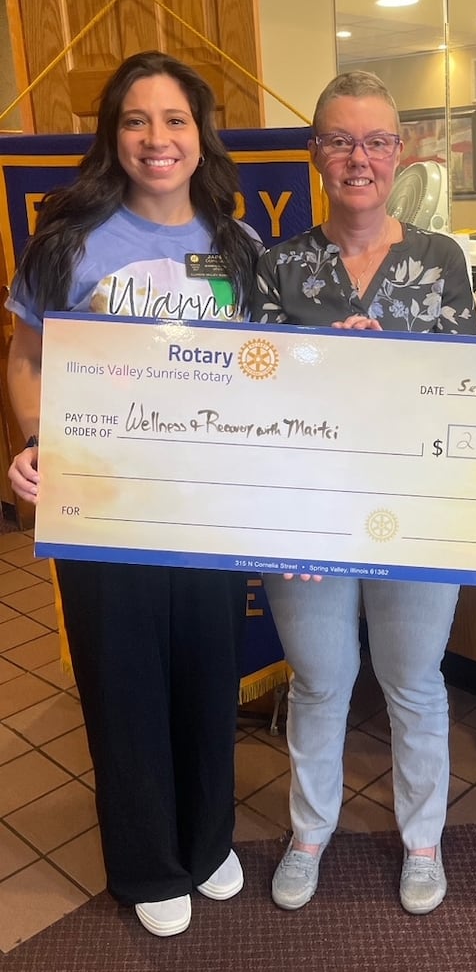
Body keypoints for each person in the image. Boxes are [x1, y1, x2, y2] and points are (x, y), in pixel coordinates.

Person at [6, 51, 263, 937]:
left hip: (207, 510)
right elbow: (29, 358)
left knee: (205, 674)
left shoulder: (239, 245)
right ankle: (149, 860)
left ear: (201, 135)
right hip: (104, 509)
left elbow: (270, 378)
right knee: (123, 682)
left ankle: (209, 839)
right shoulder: (68, 241)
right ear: (114, 135)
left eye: (176, 120)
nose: (158, 138)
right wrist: (40, 446)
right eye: (136, 120)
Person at [253, 70, 476, 915]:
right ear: (315, 153)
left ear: (400, 153)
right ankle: (310, 831)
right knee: (320, 680)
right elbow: (259, 396)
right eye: (341, 140)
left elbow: (464, 384)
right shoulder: (279, 267)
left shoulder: (439, 259)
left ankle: (423, 839)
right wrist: (325, 371)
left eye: (377, 141)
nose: (360, 157)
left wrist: (393, 366)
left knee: (414, 681)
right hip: (309, 516)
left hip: (415, 514)